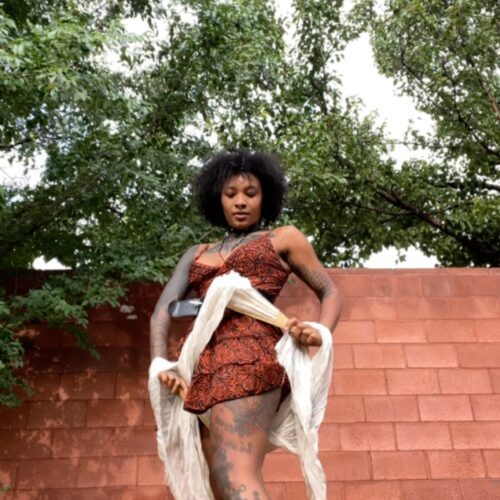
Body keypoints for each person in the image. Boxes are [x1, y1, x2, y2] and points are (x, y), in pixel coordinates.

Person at [149, 150, 342, 500]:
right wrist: (162, 364)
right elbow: (162, 311)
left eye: (250, 193)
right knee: (218, 483)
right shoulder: (196, 253)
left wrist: (320, 331)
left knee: (235, 474)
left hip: (251, 355)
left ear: (265, 197)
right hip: (199, 368)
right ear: (217, 199)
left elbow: (329, 291)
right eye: (231, 194)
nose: (241, 201)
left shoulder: (281, 238)